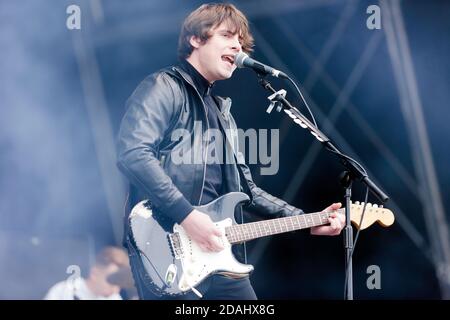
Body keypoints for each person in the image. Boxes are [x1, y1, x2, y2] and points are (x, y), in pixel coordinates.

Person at [116, 3, 345, 300]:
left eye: (241, 42)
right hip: (164, 246)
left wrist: (309, 218)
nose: (237, 46)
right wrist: (187, 216)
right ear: (195, 39)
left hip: (216, 256)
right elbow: (133, 153)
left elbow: (246, 190)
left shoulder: (222, 114)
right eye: (227, 35)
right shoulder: (164, 87)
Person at [44, 246, 130, 300]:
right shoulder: (64, 291)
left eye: (118, 284)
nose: (116, 290)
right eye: (112, 282)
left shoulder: (115, 298)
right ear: (94, 273)